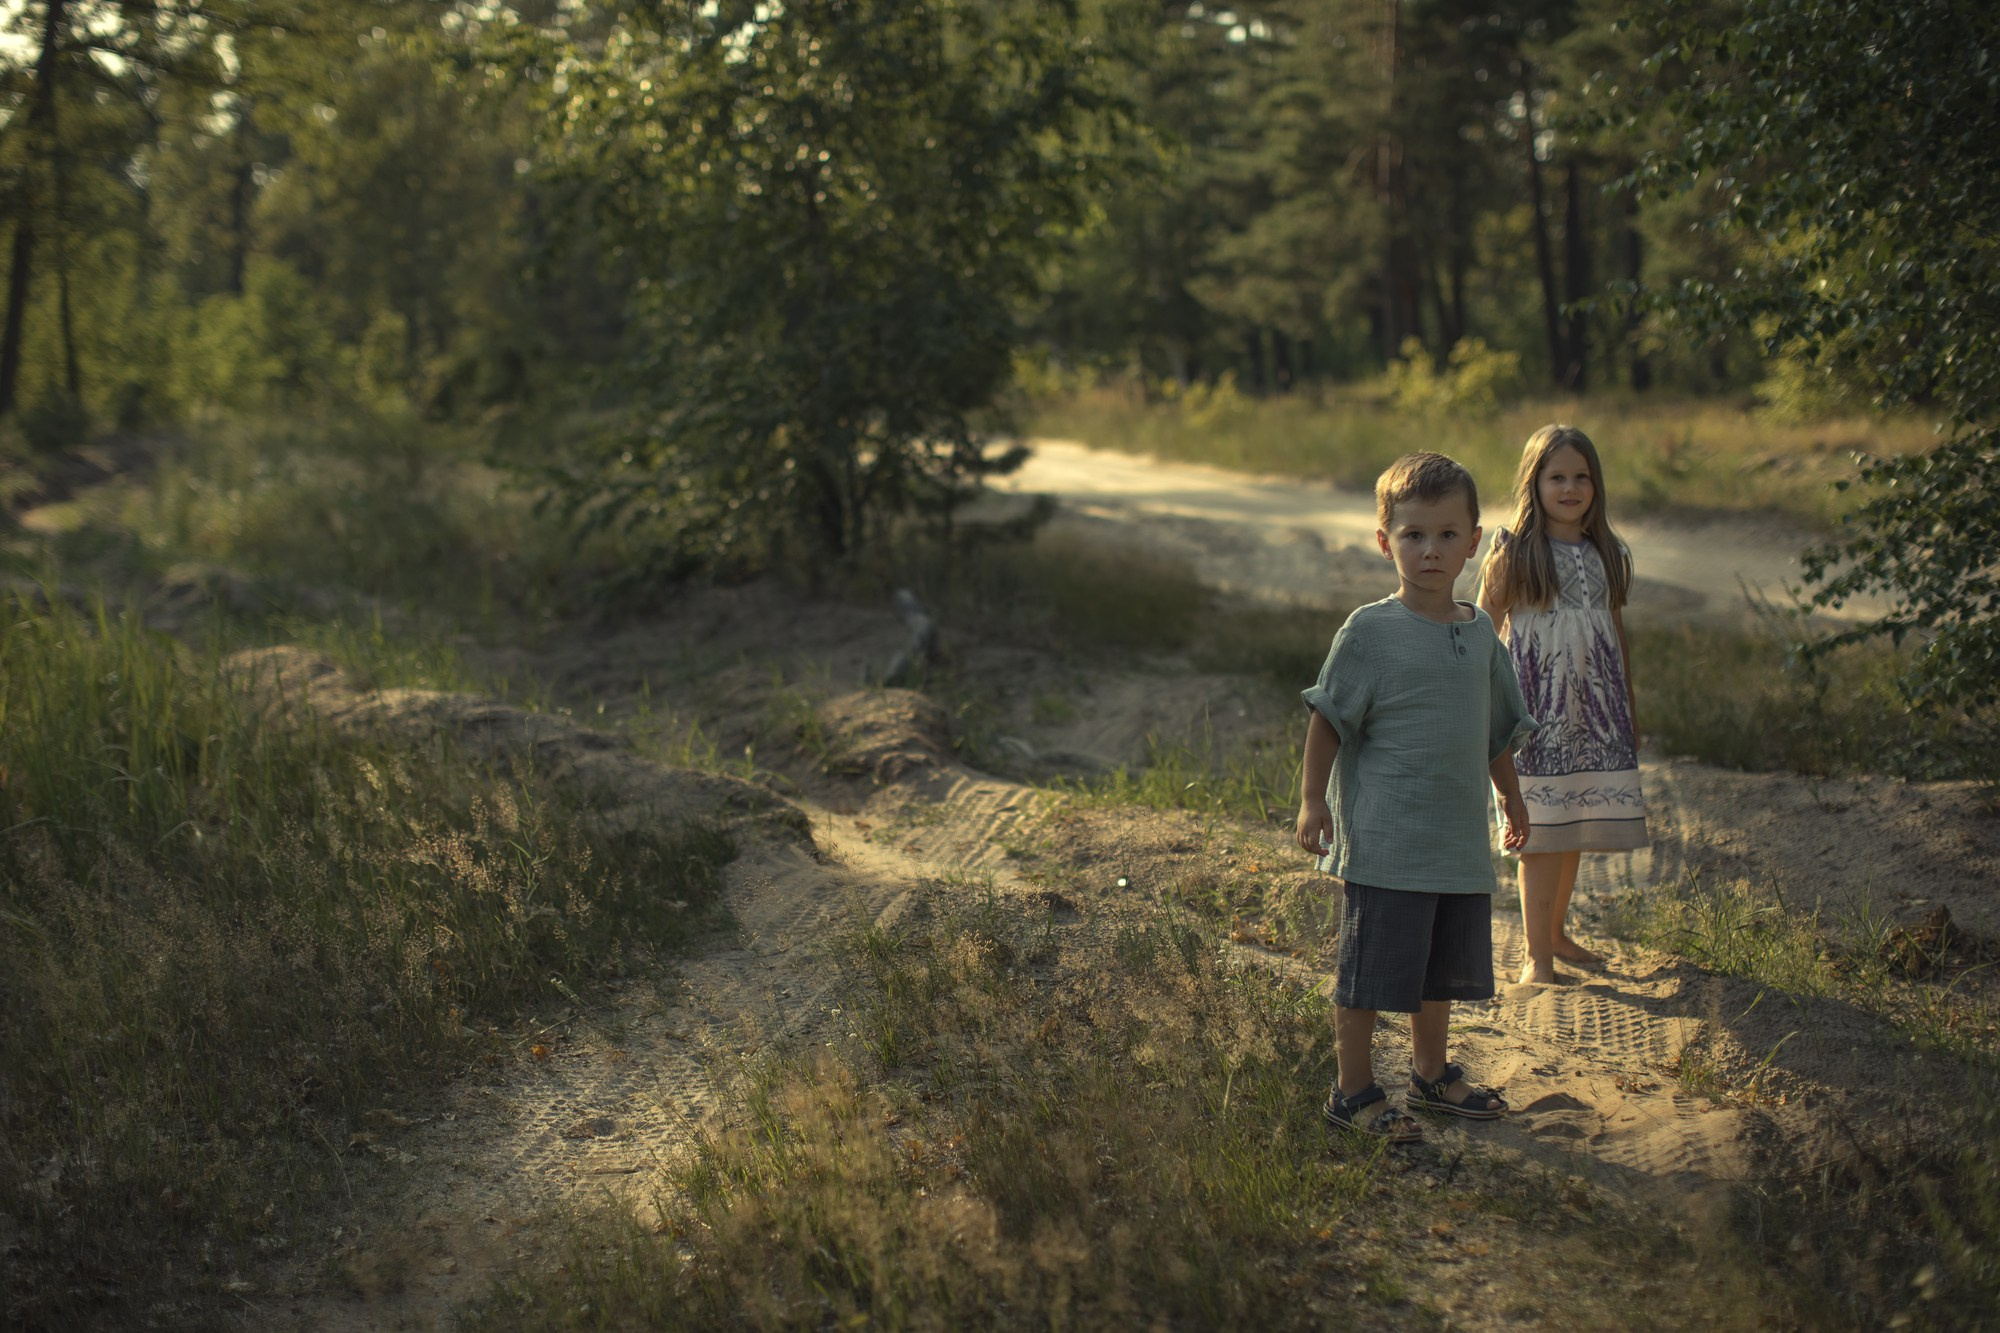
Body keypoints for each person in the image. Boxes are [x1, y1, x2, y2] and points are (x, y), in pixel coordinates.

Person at [1295, 452, 1535, 1143]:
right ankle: (1353, 1089)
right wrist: (1314, 801)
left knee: (1439, 971)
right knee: (1372, 973)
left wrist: (1511, 800)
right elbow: (1328, 718)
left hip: (1454, 841)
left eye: (1446, 534)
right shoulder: (1370, 632)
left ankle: (1431, 1074)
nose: (1430, 550)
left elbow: (1495, 731)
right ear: (1384, 540)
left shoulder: (1480, 632)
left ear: (1474, 540)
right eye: (1413, 535)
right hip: (1388, 842)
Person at [1476, 424, 1649, 986]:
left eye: (1582, 477)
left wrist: (1627, 704)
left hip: (1594, 710)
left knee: (1572, 822)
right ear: (1535, 483)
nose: (1570, 488)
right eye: (1557, 477)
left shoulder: (1606, 552)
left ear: (1596, 486)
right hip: (1535, 712)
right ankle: (1536, 959)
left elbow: (1615, 629)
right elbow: (1485, 624)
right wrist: (1485, 701)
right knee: (1539, 830)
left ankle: (1556, 933)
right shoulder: (1517, 550)